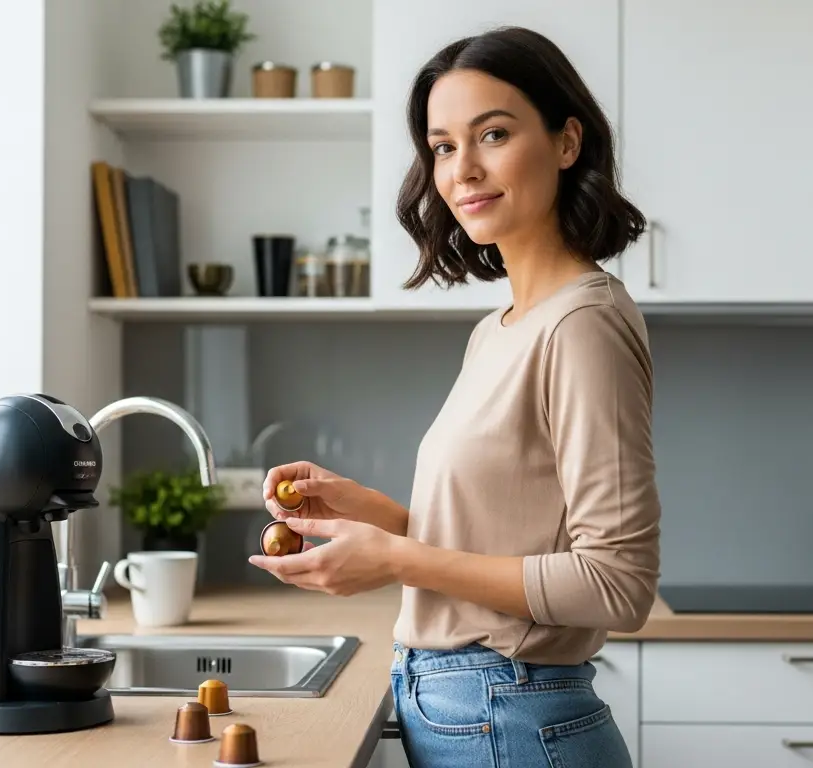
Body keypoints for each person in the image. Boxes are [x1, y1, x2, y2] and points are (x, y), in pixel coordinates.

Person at [250, 25, 661, 768]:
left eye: (493, 134)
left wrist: (395, 558)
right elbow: (503, 544)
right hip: (471, 710)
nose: (463, 169)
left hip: (513, 713)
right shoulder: (499, 328)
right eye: (442, 146)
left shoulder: (583, 323)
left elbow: (615, 584)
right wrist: (366, 514)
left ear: (567, 142)